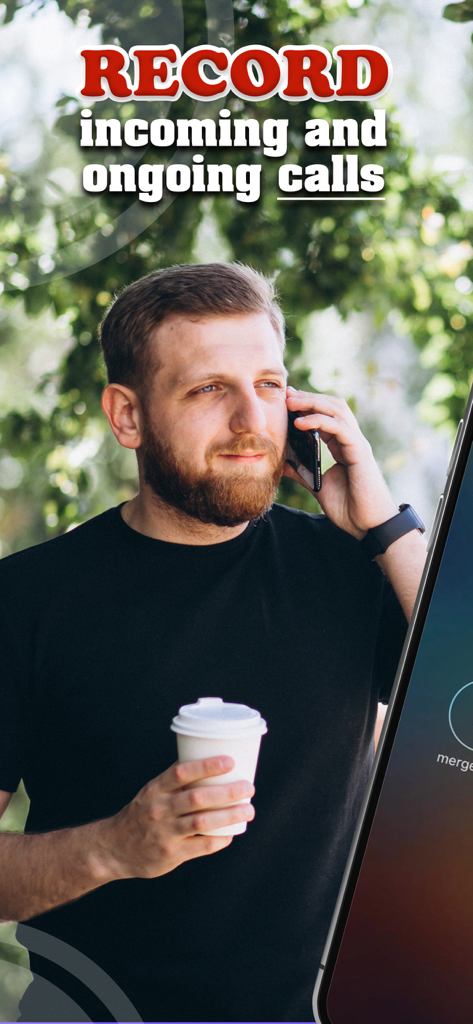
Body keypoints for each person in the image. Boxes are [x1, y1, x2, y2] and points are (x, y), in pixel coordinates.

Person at [0, 263, 426, 1023]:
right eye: (207, 390)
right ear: (126, 416)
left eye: (267, 385)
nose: (249, 422)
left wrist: (386, 525)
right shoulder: (25, 599)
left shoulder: (353, 569)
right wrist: (114, 848)